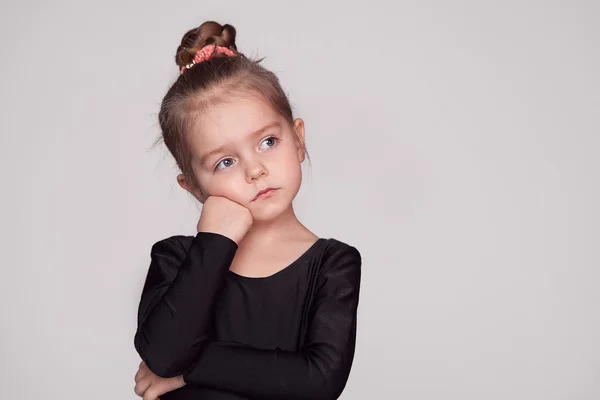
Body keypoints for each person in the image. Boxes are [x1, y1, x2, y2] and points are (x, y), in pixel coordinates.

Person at [133, 20, 362, 400]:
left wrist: (187, 372)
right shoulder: (175, 259)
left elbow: (319, 381)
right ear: (193, 187)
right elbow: (162, 353)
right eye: (225, 162)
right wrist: (214, 241)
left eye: (268, 141)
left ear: (299, 140)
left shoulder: (332, 265)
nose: (255, 170)